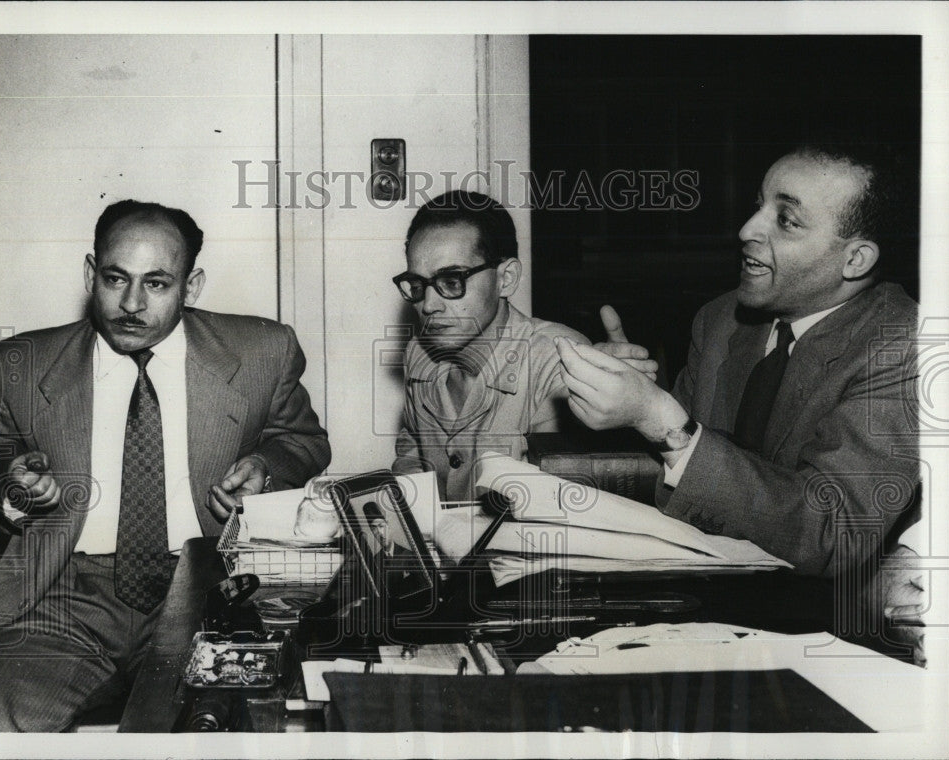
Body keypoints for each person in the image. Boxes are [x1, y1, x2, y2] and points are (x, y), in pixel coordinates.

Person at [0, 199, 331, 730]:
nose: (131, 303)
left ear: (191, 287)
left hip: (205, 590)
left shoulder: (264, 350)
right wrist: (12, 489)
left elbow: (303, 440)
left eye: (156, 283)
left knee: (232, 725)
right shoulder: (19, 365)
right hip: (63, 598)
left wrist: (267, 466)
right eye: (115, 278)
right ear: (90, 274)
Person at [556, 145, 919, 581]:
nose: (747, 229)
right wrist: (627, 404)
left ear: (855, 260)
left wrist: (661, 419)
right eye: (757, 206)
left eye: (786, 220)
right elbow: (685, 474)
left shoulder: (906, 347)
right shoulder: (721, 319)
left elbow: (833, 534)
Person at [391, 191, 595, 502]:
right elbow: (411, 452)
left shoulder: (558, 361)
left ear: (506, 278)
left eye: (452, 280)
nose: (429, 305)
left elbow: (559, 503)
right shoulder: (420, 354)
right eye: (418, 285)